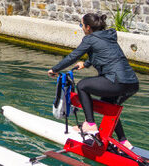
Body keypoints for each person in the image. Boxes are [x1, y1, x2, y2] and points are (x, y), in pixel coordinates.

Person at [47, 13, 139, 150]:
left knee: (82, 85)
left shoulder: (89, 39)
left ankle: (90, 124)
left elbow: (73, 56)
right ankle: (123, 141)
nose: (81, 28)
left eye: (81, 25)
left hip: (116, 80)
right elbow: (105, 54)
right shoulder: (108, 36)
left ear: (88, 27)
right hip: (132, 83)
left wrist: (54, 69)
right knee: (109, 106)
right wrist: (86, 64)